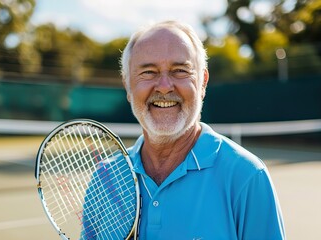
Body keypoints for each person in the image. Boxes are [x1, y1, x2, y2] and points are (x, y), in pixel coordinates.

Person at [119, 20, 286, 239]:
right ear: (128, 85)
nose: (164, 86)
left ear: (203, 83)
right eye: (148, 72)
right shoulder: (106, 178)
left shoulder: (247, 176)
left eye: (180, 70)